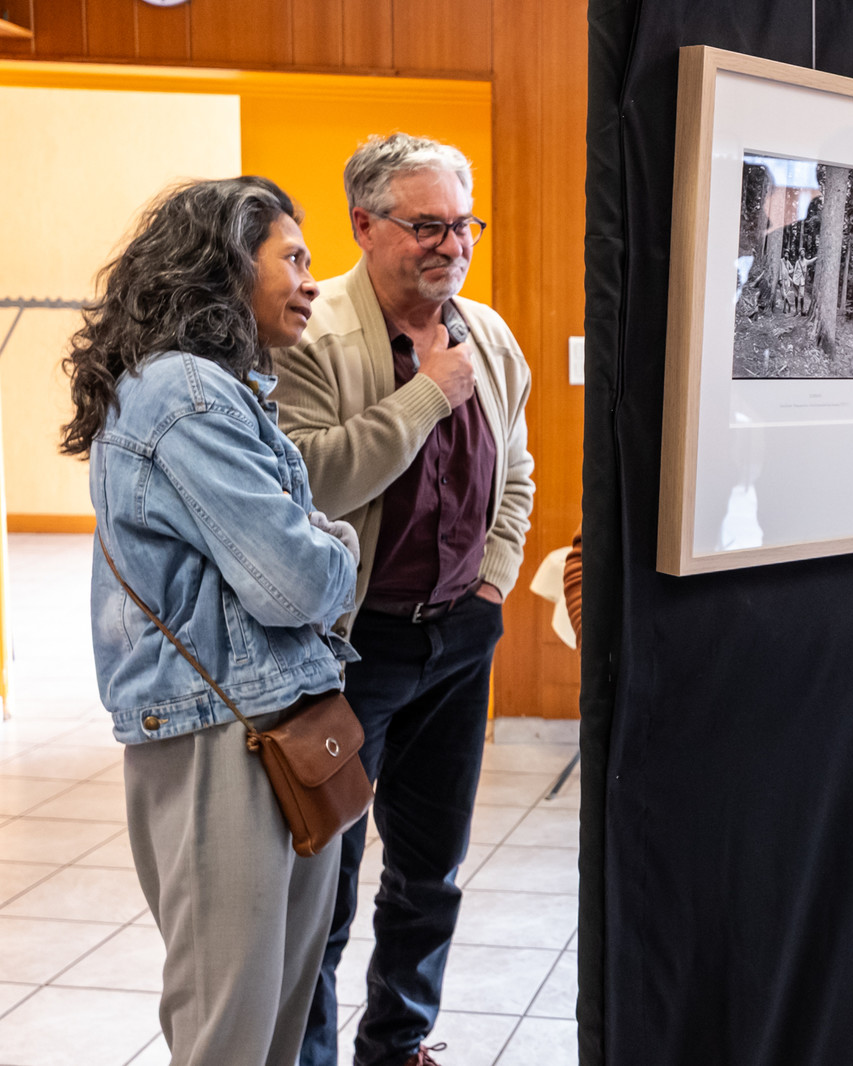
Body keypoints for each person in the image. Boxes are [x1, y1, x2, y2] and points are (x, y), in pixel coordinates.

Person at [64, 177, 359, 1066]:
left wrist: (315, 543)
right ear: (228, 266)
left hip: (269, 727)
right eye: (293, 258)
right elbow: (296, 584)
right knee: (228, 1032)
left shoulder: (220, 388)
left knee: (271, 1021)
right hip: (214, 737)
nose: (312, 280)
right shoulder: (185, 393)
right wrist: (338, 541)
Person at [273, 133, 535, 1066]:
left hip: (459, 638)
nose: (451, 244)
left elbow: (518, 474)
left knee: (430, 870)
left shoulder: (489, 336)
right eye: (427, 225)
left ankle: (398, 1045)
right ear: (363, 225)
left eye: (462, 224)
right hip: (351, 651)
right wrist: (426, 394)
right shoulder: (313, 339)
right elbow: (309, 481)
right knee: (326, 881)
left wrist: (495, 580)